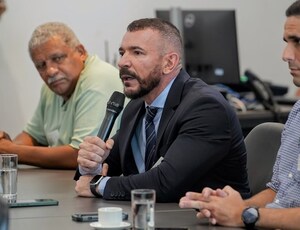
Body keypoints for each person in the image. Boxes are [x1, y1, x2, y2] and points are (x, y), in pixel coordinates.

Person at [75, 18, 250, 202]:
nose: (122, 62)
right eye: (122, 53)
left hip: (205, 220)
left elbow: (165, 182)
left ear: (169, 63)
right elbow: (108, 166)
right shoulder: (135, 106)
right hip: (153, 217)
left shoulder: (205, 108)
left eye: (137, 52)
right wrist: (91, 164)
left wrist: (97, 185)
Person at [179, 1, 300, 228]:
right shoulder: (298, 111)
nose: (286, 55)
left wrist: (246, 216)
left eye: (298, 42)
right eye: (287, 42)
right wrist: (232, 208)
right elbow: (279, 193)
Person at [0, 22, 123, 169]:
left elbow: (81, 156)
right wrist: (5, 146)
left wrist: (10, 151)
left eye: (57, 58)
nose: (50, 71)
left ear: (81, 52)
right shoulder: (51, 88)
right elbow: (33, 136)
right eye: (41, 65)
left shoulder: (98, 78)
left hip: (110, 185)